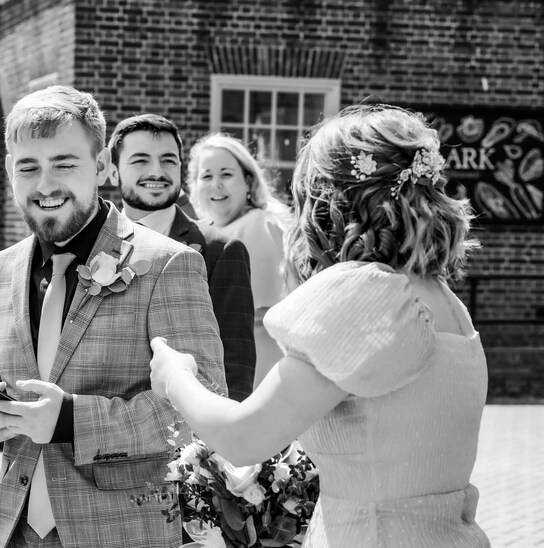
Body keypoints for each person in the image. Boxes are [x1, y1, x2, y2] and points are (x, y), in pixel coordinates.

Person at [150, 104, 490, 547]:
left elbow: (243, 437)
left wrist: (176, 375)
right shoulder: (443, 299)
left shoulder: (369, 295)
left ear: (333, 199)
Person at [0, 85, 226, 548]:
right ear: (9, 172)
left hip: (117, 531)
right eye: (29, 167)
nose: (45, 184)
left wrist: (69, 422)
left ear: (100, 167)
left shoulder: (168, 264)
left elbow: (205, 405)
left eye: (64, 163)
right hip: (10, 530)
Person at [108, 113, 256, 401]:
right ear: (113, 172)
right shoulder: (96, 245)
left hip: (189, 431)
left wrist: (221, 442)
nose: (157, 171)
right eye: (140, 160)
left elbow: (235, 363)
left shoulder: (221, 250)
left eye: (168, 160)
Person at [187, 133, 288, 388]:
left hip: (257, 375)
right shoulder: (211, 233)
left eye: (226, 174)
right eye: (207, 176)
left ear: (248, 181)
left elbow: (252, 315)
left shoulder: (258, 226)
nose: (216, 184)